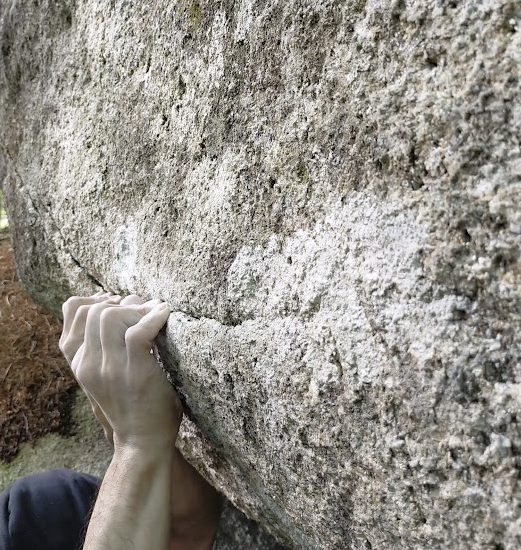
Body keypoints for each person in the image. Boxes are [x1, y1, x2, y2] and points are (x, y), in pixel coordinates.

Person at [0, 292, 221, 550]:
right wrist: (136, 444)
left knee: (42, 504)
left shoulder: (34, 514)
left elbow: (188, 533)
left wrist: (117, 420)